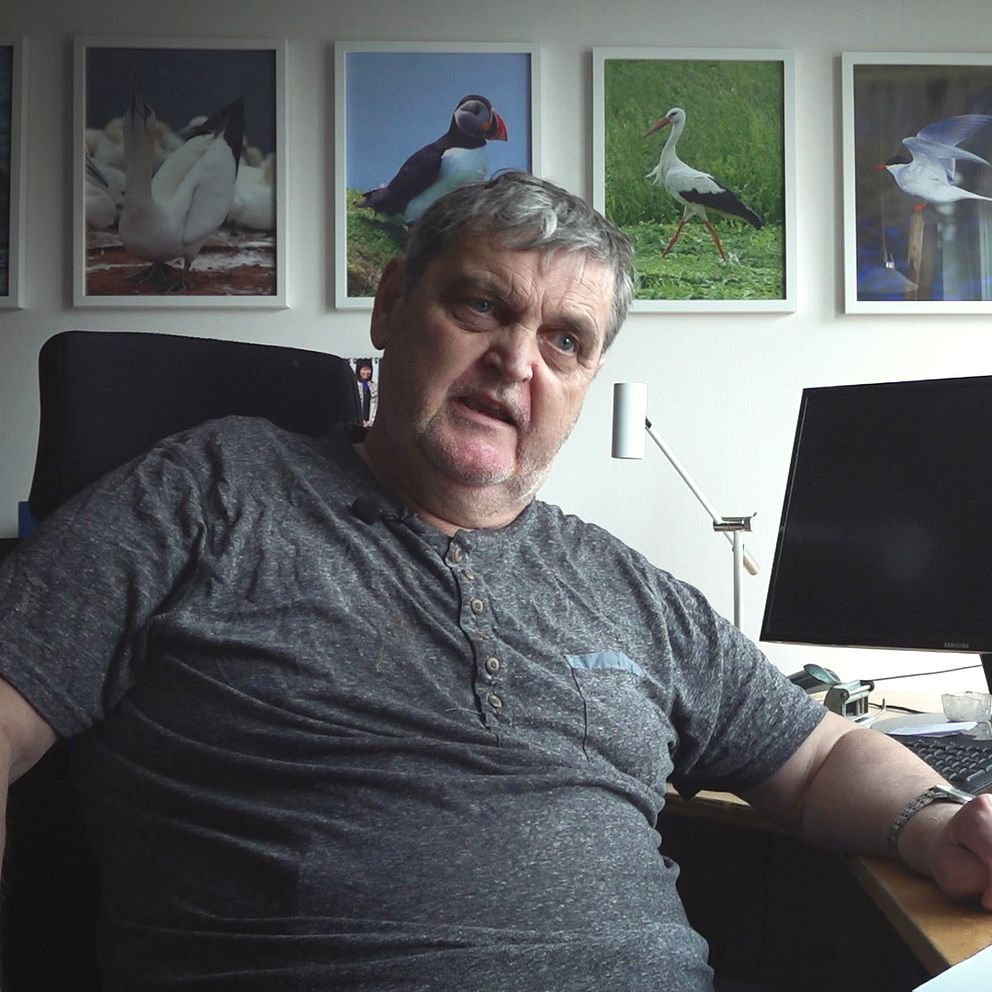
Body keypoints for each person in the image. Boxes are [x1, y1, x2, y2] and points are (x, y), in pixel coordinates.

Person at [0, 171, 990, 992]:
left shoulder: (622, 584)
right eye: (481, 305)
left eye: (565, 341)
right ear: (392, 303)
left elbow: (816, 754)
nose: (517, 362)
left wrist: (938, 823)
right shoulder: (210, 490)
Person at [354, 357, 378, 426]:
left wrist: (372, 420)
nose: (366, 372)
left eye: (368, 369)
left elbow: (376, 404)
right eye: (364, 369)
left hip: (371, 423)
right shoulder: (355, 385)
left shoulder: (374, 386)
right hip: (358, 422)